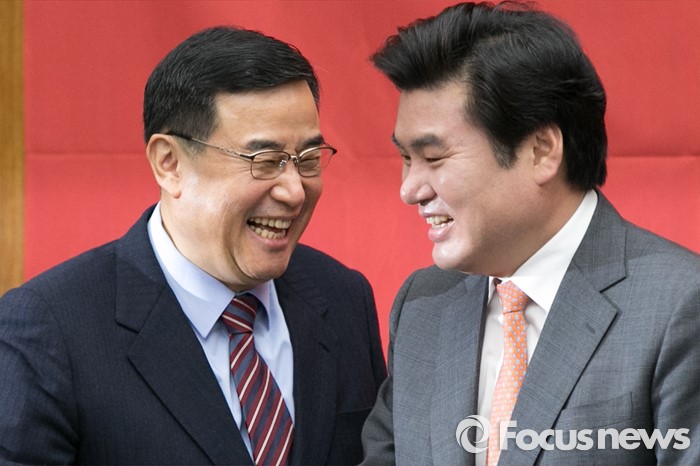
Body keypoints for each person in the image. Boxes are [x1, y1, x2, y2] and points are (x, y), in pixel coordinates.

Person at [0, 26, 386, 465]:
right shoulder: (50, 330)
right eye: (265, 161)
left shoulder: (343, 297)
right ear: (170, 163)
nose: (295, 191)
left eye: (308, 160)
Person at [361, 2, 699, 465]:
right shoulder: (423, 305)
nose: (409, 190)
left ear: (541, 151)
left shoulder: (679, 306)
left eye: (434, 158)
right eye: (406, 159)